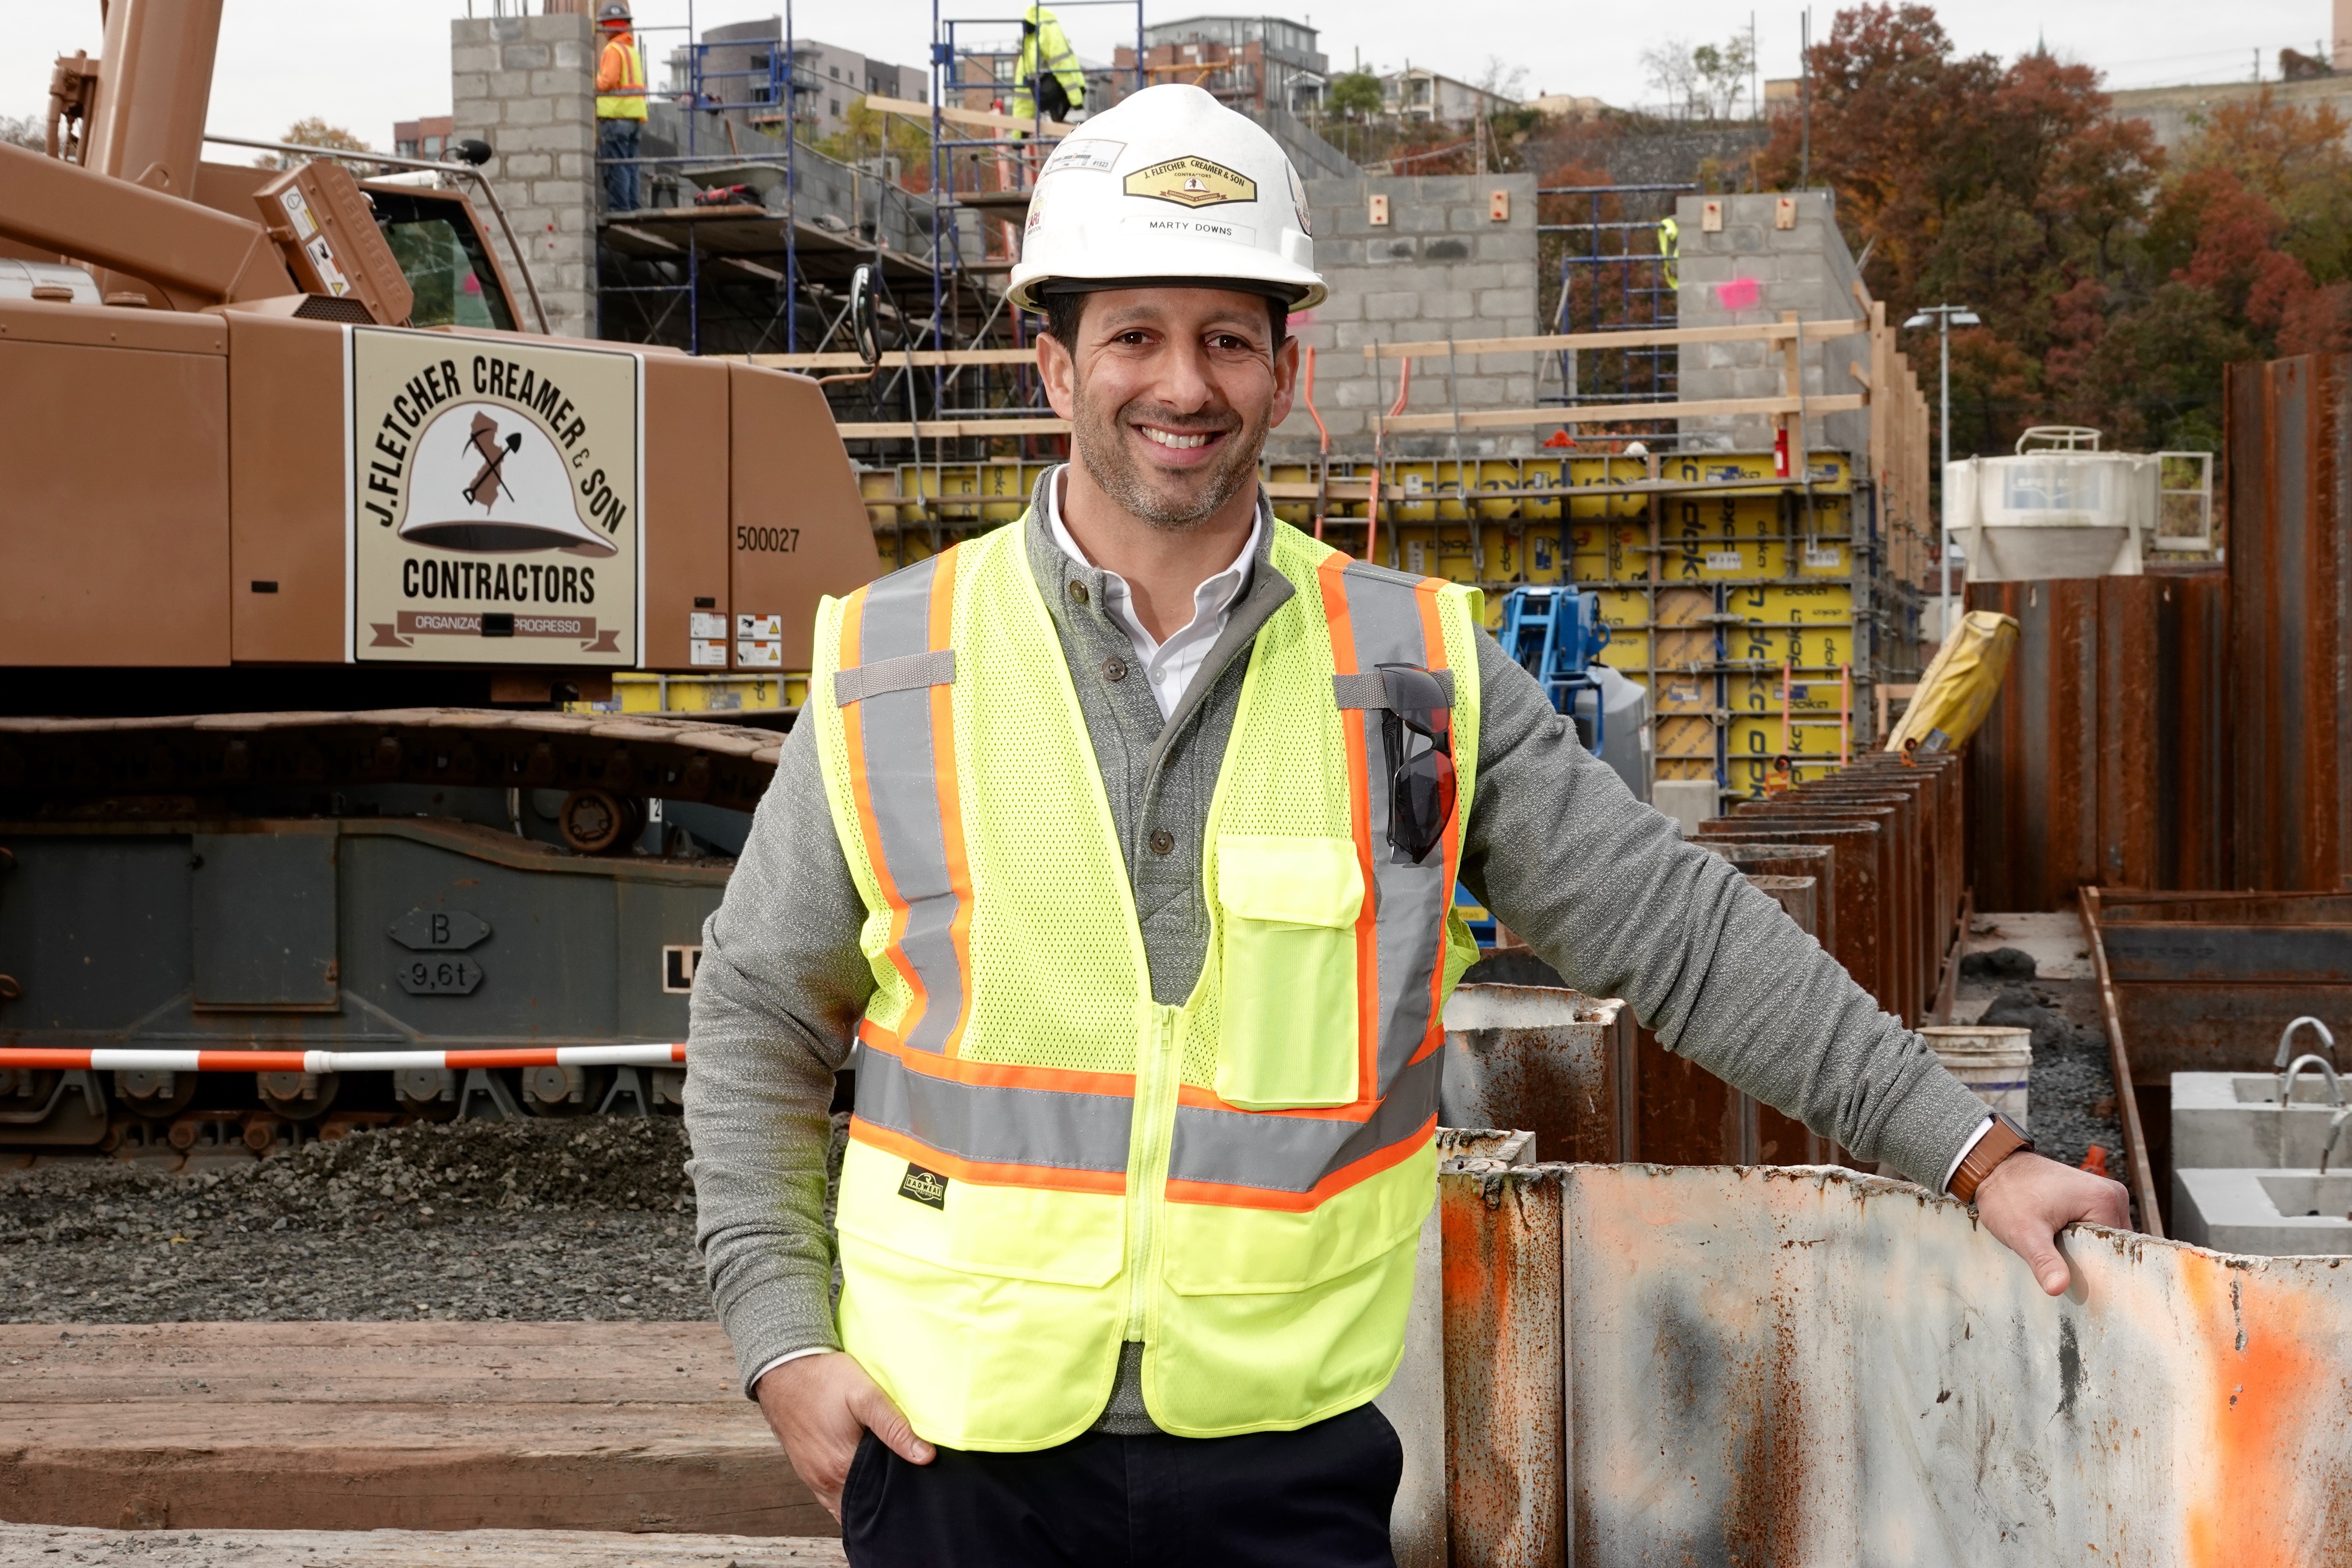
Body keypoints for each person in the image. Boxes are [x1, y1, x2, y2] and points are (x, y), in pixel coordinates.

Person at [685, 82, 2129, 1567]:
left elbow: (1679, 934)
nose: (1181, 384)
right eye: (1134, 335)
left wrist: (1968, 1149)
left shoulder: (1413, 672)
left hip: (1282, 1466)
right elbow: (758, 1016)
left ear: (1281, 370)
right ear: (1055, 365)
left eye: (1225, 338)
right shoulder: (897, 658)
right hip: (952, 1458)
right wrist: (783, 1336)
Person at [594, 0, 646, 213]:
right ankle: (633, 208)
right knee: (630, 165)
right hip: (633, 118)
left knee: (617, 166)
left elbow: (608, 82)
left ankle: (621, 210)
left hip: (616, 117)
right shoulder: (631, 51)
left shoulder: (614, 50)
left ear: (608, 26)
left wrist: (592, 81)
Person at [1010, 4, 1086, 127]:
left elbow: (1063, 68)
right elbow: (1023, 91)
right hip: (1054, 96)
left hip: (1066, 95)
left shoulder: (1047, 37)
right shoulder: (1029, 47)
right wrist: (1019, 131)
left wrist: (1077, 103)